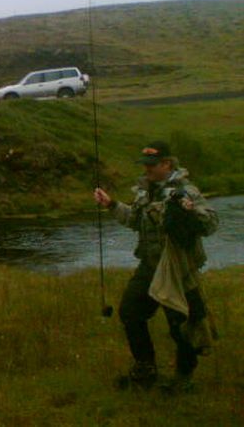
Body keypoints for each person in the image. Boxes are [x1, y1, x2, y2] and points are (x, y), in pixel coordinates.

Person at [93, 141, 218, 393]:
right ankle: (145, 369)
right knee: (130, 312)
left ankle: (184, 378)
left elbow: (211, 223)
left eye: (151, 165)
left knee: (181, 326)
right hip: (149, 266)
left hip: (178, 270)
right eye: (145, 165)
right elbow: (135, 220)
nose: (146, 169)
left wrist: (190, 213)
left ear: (167, 164)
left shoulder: (186, 191)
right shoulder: (144, 192)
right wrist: (111, 205)